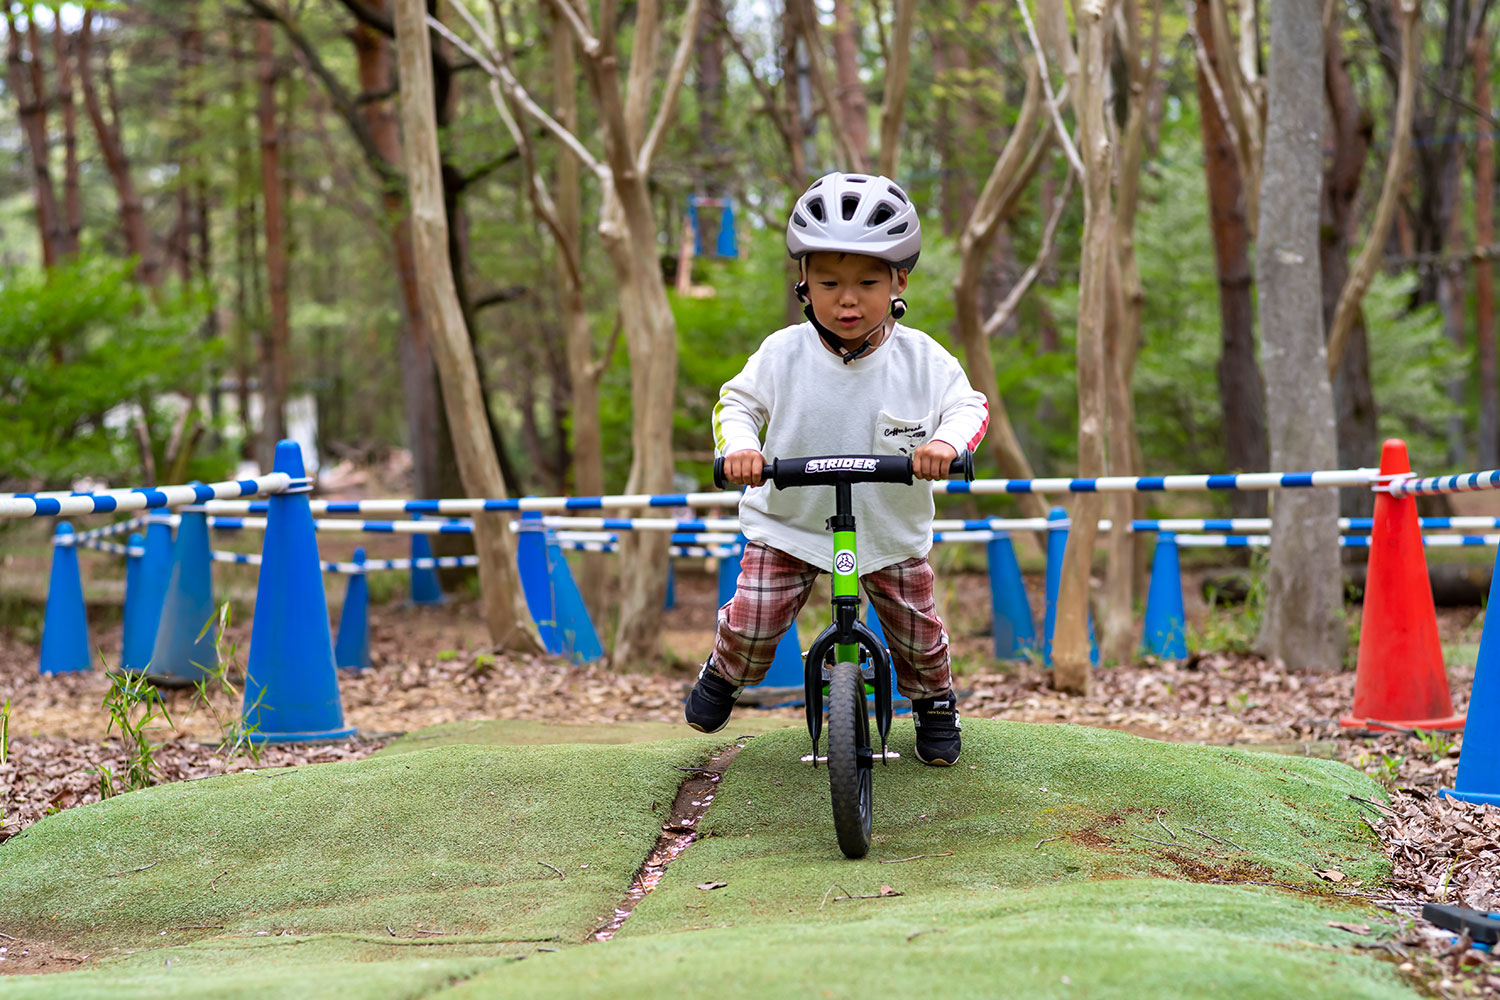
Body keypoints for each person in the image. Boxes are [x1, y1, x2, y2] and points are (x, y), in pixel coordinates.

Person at [685, 171, 989, 765]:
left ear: (899, 280)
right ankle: (725, 670)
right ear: (803, 282)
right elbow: (737, 404)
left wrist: (946, 446)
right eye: (828, 282)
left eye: (867, 283)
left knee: (917, 635)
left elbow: (968, 407)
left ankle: (933, 701)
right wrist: (740, 448)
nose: (847, 300)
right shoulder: (783, 353)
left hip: (885, 532)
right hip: (789, 523)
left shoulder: (923, 358)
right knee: (753, 623)